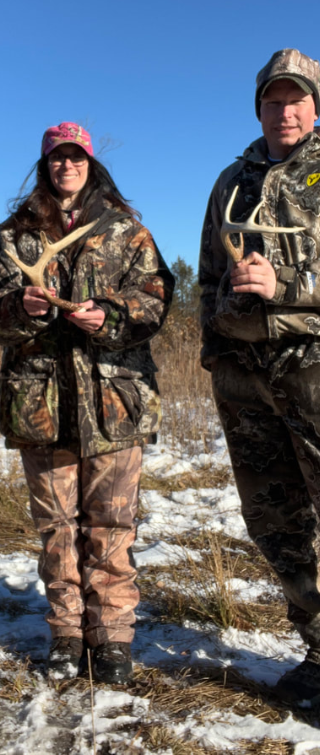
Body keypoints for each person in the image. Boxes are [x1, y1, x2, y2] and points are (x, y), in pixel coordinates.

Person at [0, 122, 174, 683]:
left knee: (112, 524)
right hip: (41, 404)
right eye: (57, 158)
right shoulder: (12, 238)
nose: (67, 165)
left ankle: (112, 637)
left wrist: (111, 316)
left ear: (91, 162)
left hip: (115, 401)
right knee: (57, 525)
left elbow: (156, 298)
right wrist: (23, 309)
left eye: (76, 156)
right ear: (44, 165)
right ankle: (66, 631)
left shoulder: (127, 231)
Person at [199, 48, 320, 706]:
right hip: (244, 378)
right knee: (275, 522)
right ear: (259, 107)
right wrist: (215, 352)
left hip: (314, 368)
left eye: (297, 98)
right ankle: (319, 648)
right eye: (274, 100)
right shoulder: (232, 181)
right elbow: (206, 275)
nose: (286, 111)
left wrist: (288, 284)